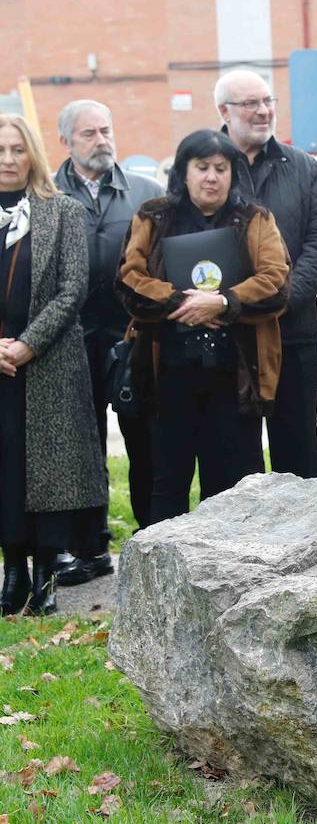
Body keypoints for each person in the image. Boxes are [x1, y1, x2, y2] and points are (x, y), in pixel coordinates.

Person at [116, 129, 290, 523]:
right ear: (184, 171)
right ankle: (158, 578)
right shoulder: (154, 216)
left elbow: (276, 281)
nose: (212, 177)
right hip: (166, 375)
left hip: (237, 373)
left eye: (221, 168)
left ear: (232, 173)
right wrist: (182, 302)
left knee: (236, 484)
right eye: (202, 167)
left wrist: (224, 302)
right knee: (166, 481)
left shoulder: (255, 219)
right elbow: (129, 279)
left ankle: (236, 578)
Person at [0, 115, 108, 616]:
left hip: (48, 366)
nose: (8, 160)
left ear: (34, 154)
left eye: (18, 150)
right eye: (0, 151)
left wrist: (26, 345)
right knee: (7, 471)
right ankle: (13, 572)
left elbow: (72, 290)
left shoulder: (60, 211)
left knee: (49, 475)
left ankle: (45, 575)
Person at [52, 99, 163, 585]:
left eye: (106, 129)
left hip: (132, 335)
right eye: (89, 134)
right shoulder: (47, 194)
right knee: (82, 445)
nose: (101, 140)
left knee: (145, 439)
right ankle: (89, 547)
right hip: (68, 340)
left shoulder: (145, 191)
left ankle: (154, 538)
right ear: (66, 142)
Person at [215, 69, 317, 479]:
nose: (263, 111)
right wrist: (233, 304)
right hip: (227, 334)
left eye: (268, 101)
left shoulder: (302, 166)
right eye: (251, 103)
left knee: (298, 448)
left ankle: (310, 541)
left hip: (293, 332)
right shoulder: (207, 166)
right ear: (224, 111)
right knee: (232, 454)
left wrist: (283, 297)